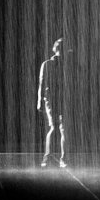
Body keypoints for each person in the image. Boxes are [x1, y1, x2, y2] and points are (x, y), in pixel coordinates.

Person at [37, 38, 70, 167]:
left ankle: (62, 158)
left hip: (60, 98)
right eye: (60, 47)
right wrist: (39, 100)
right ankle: (48, 156)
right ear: (55, 49)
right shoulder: (47, 64)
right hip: (50, 99)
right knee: (55, 128)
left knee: (61, 128)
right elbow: (41, 83)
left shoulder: (66, 64)